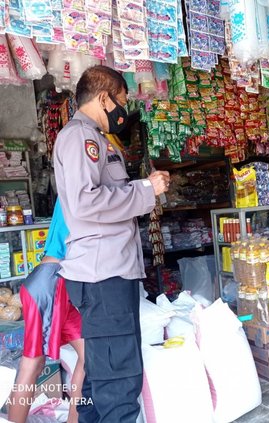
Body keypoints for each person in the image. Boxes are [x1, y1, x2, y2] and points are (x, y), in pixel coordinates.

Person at [53, 65, 170, 422]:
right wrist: (145, 189)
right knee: (118, 380)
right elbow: (86, 202)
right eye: (122, 100)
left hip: (106, 273)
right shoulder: (80, 138)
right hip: (101, 276)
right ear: (104, 98)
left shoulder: (96, 138)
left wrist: (143, 190)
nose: (123, 109)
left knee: (100, 377)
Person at [8, 200, 84, 423]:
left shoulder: (75, 187)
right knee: (33, 364)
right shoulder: (78, 187)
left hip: (59, 283)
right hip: (49, 283)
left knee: (91, 354)